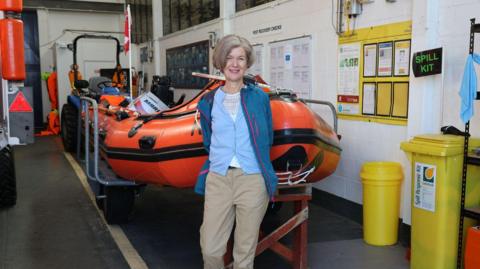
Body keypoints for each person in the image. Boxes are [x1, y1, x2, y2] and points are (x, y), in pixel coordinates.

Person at [195, 34, 278, 269]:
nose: (234, 63)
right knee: (210, 249)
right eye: (229, 58)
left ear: (247, 63)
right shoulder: (209, 101)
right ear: (221, 62)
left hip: (252, 179)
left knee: (244, 254)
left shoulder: (259, 98)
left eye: (240, 58)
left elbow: (267, 137)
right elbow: (208, 140)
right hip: (219, 178)